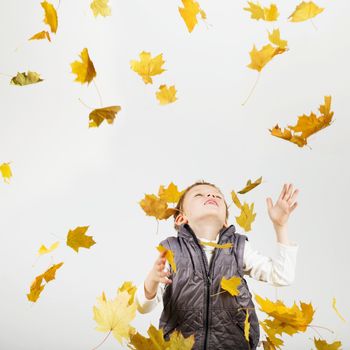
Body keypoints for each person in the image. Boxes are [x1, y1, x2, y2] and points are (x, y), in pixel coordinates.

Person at [135, 181, 299, 349]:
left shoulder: (238, 248)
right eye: (199, 195)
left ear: (225, 222)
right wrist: (152, 281)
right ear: (181, 218)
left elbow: (282, 276)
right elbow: (143, 306)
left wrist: (280, 226)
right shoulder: (171, 250)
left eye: (217, 196)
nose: (211, 196)